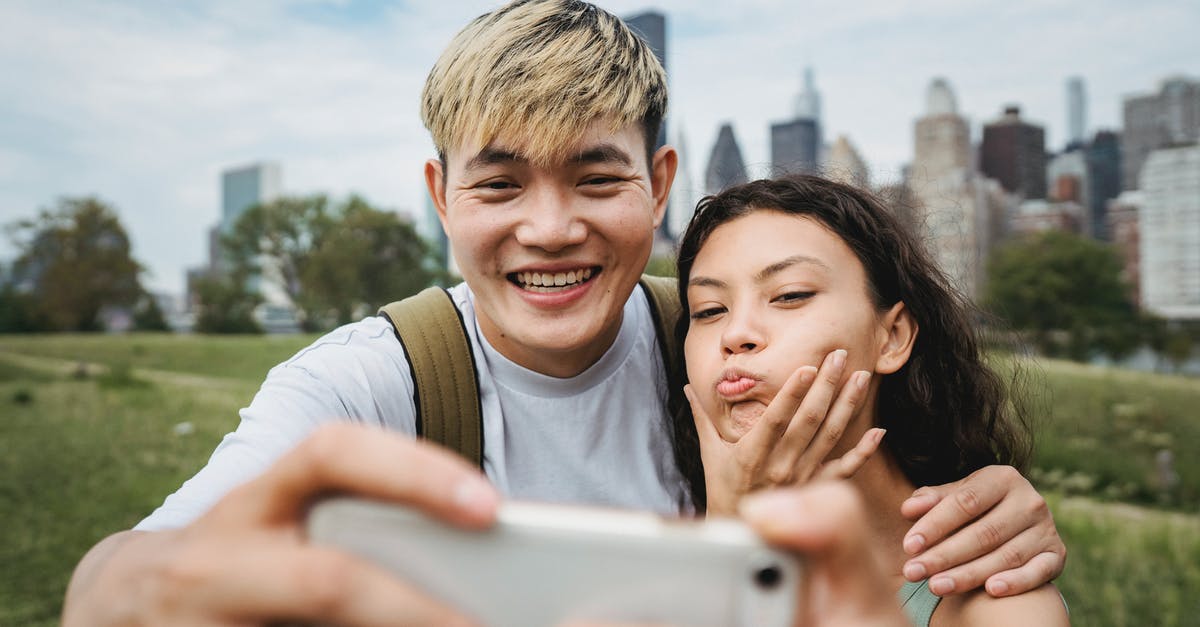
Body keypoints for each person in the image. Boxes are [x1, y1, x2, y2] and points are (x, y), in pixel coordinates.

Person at [62, 2, 1066, 625]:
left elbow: (912, 484)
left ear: (660, 181)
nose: (551, 230)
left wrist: (994, 511)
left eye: (596, 177)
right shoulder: (362, 383)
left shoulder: (721, 342)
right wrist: (128, 595)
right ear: (439, 194)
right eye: (499, 187)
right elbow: (128, 574)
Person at [675, 175, 1070, 625]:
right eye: (708, 310)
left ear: (892, 336)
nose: (736, 334)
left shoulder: (993, 600)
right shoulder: (649, 549)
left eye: (790, 295)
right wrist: (727, 535)